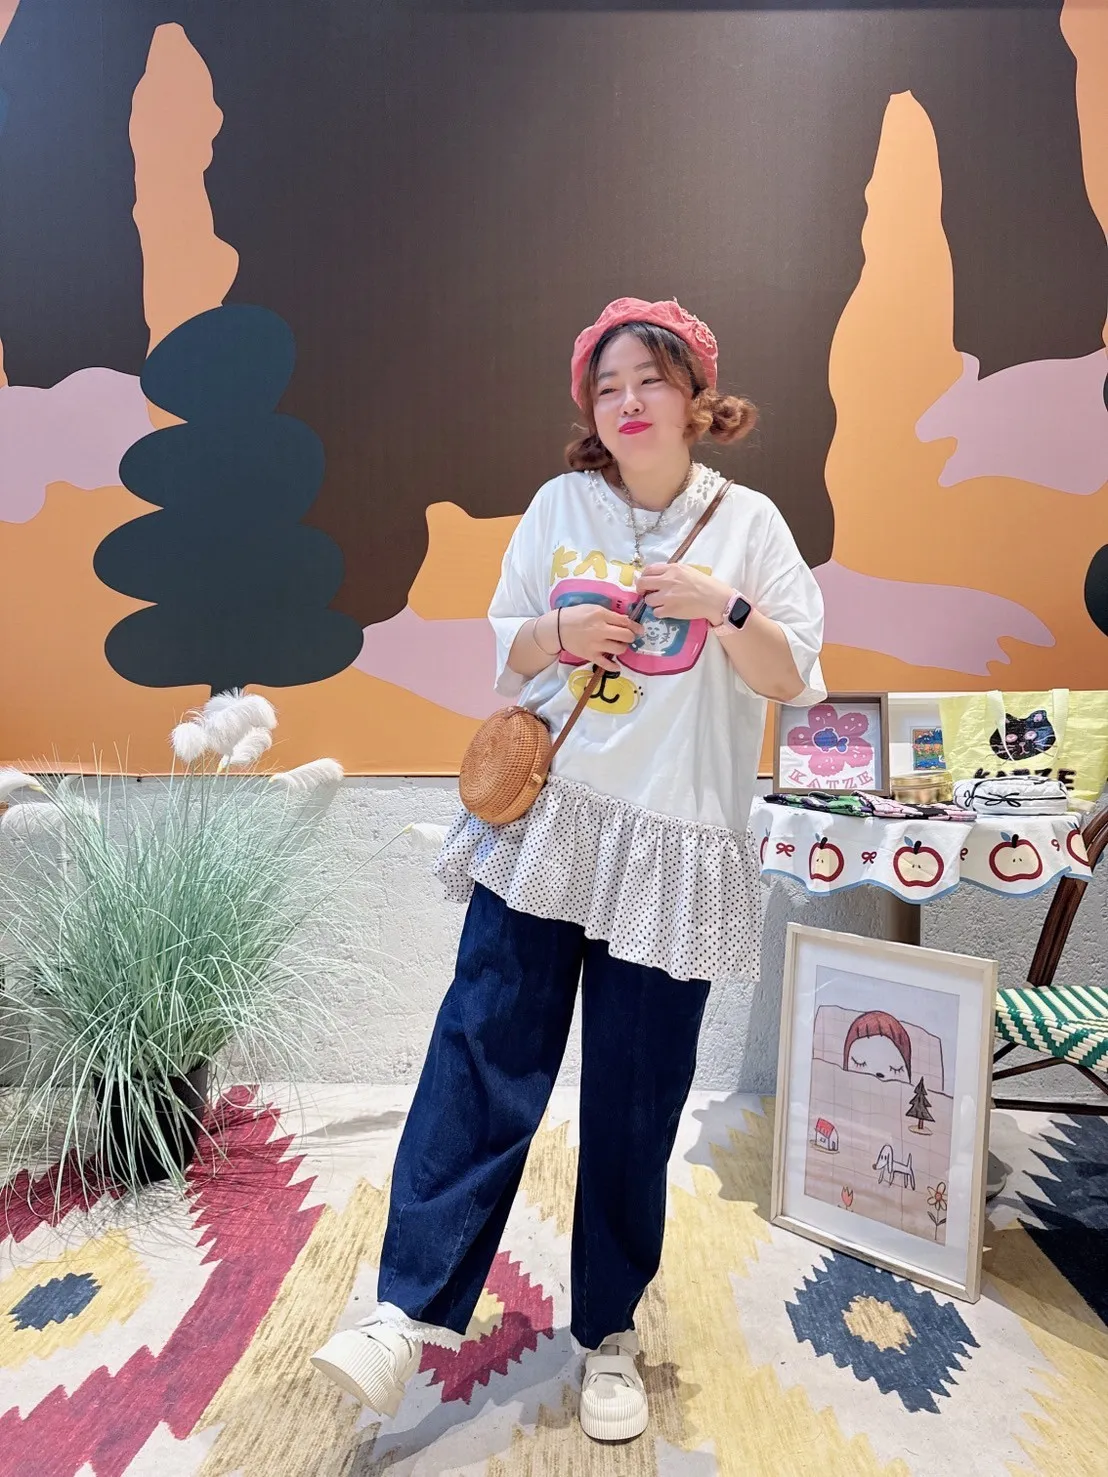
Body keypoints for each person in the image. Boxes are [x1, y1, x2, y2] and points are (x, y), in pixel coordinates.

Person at [310, 296, 826, 1442]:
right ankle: (403, 1311)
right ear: (590, 408)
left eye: (650, 379)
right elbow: (506, 644)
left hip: (674, 844)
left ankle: (607, 1332)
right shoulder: (560, 507)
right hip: (553, 824)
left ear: (695, 396)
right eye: (607, 386)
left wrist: (723, 605)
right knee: (481, 1048)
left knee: (637, 1094)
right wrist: (559, 634)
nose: (627, 401)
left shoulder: (748, 524)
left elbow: (791, 675)